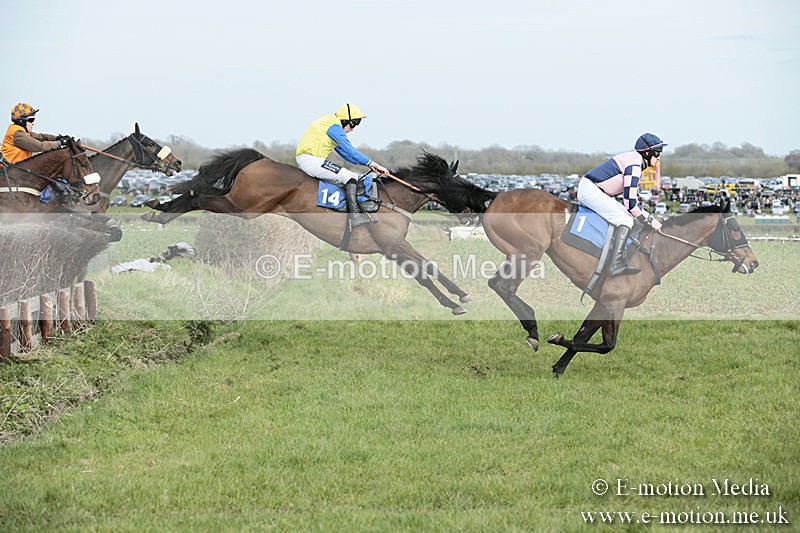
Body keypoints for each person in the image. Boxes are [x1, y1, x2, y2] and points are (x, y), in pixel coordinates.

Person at [577, 133, 666, 276]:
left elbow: (633, 201)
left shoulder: (636, 162)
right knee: (625, 220)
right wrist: (651, 221)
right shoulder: (634, 165)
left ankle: (617, 255)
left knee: (628, 218)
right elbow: (630, 204)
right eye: (657, 153)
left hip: (594, 190)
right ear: (647, 153)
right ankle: (615, 264)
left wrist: (646, 217)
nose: (659, 157)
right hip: (591, 190)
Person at [296, 103, 389, 226]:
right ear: (345, 120)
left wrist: (369, 166)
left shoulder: (330, 124)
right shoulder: (334, 127)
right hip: (310, 160)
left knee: (349, 175)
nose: (353, 129)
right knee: (350, 177)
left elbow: (346, 155)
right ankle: (355, 217)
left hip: (310, 160)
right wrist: (374, 164)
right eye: (353, 124)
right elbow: (350, 150)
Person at [1, 103, 67, 164]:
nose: (33, 123)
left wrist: (57, 138)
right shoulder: (18, 133)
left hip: (16, 170)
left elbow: (40, 137)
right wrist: (59, 143)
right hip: (8, 171)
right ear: (21, 121)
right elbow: (40, 146)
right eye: (31, 120)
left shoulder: (21, 130)